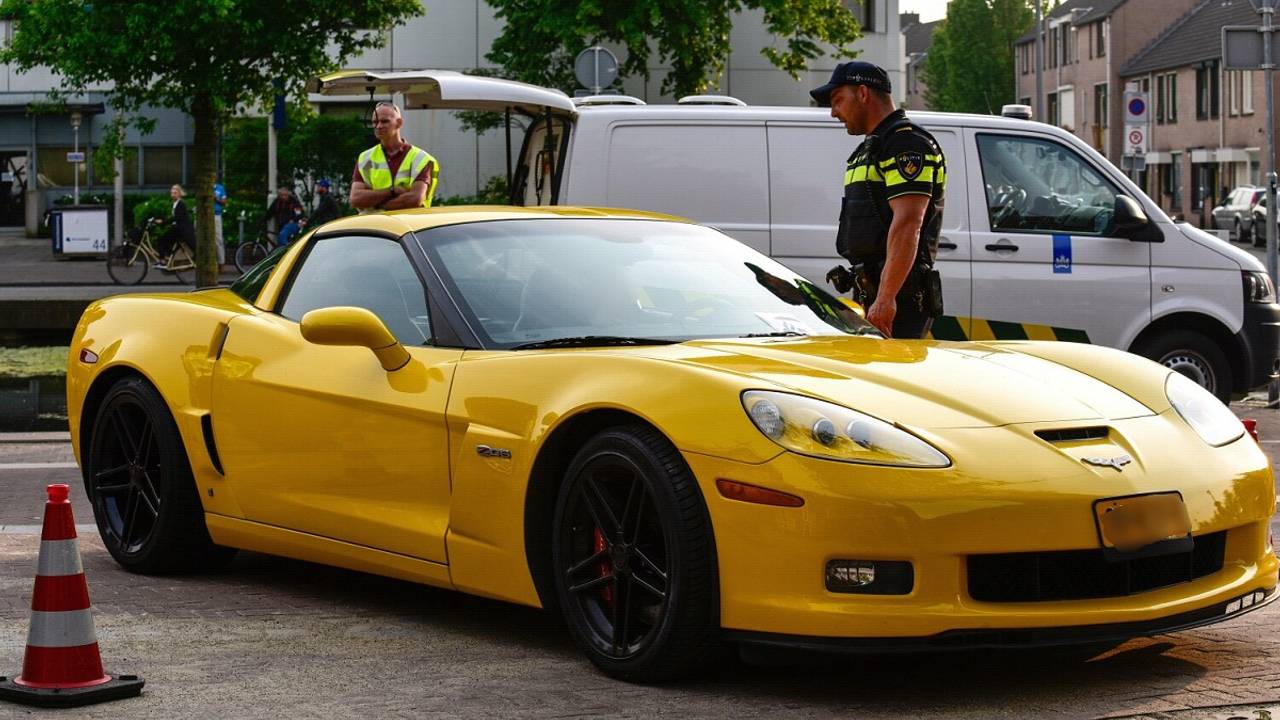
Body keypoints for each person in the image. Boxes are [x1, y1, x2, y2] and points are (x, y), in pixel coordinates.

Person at [811, 61, 947, 339]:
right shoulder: (870, 148)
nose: (833, 113)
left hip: (900, 297)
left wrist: (886, 298)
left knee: (892, 376)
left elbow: (909, 222)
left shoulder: (906, 145)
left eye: (837, 101)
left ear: (863, 93)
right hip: (872, 290)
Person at [350, 102, 440, 211]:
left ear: (399, 123)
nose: (378, 126)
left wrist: (375, 204)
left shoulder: (420, 158)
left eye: (384, 121)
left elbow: (415, 199)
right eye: (375, 122)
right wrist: (392, 191)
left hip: (409, 226)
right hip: (374, 226)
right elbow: (355, 199)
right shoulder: (365, 158)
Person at [155, 184, 194, 267]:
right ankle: (168, 258)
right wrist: (162, 220)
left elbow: (176, 218)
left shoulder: (180, 204)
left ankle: (162, 261)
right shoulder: (176, 203)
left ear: (179, 194)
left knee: (161, 240)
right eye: (172, 193)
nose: (173, 194)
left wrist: (163, 222)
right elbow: (173, 217)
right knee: (167, 240)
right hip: (179, 228)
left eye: (175, 193)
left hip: (181, 230)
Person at [213, 180, 227, 267]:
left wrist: (216, 198)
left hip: (216, 215)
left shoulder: (219, 188)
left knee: (218, 240)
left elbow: (224, 202)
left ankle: (221, 263)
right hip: (205, 216)